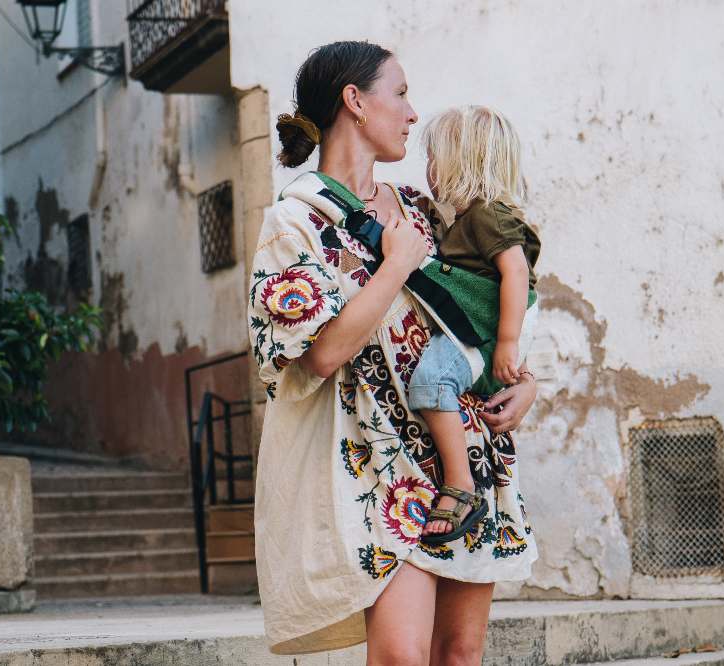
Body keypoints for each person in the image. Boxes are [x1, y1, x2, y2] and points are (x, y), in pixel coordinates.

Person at [247, 41, 539, 664]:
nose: (412, 114)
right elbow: (320, 356)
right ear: (355, 101)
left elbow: (477, 309)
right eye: (400, 93)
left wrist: (525, 381)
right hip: (375, 467)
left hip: (458, 453)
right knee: (403, 657)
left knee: (460, 653)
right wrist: (396, 265)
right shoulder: (294, 222)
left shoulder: (423, 210)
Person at [408, 107, 542, 545]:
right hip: (482, 331)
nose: (427, 169)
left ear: (459, 163)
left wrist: (506, 343)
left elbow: (516, 274)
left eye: (433, 158)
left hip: (483, 333)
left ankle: (460, 482)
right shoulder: (466, 220)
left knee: (430, 382)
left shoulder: (487, 216)